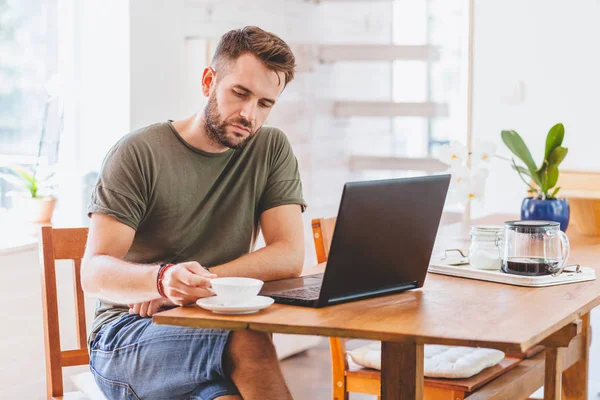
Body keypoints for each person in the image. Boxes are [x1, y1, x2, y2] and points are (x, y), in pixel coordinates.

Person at [81, 26, 306, 400]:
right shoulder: (139, 152)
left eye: (265, 103)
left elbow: (289, 254)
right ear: (208, 81)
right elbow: (93, 272)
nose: (249, 114)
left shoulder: (270, 148)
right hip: (130, 333)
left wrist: (193, 287)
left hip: (206, 321)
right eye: (240, 93)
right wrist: (162, 279)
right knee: (247, 338)